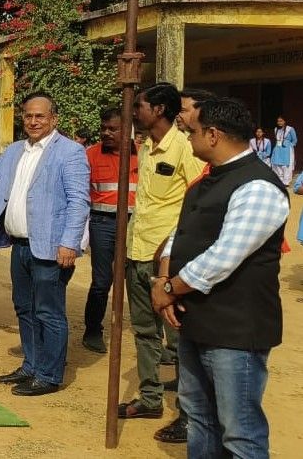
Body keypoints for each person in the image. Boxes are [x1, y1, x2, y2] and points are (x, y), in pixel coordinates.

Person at [153, 97, 287, 458]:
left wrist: (170, 288)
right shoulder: (204, 184)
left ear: (213, 135)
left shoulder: (258, 187)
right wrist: (164, 277)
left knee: (239, 431)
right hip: (196, 319)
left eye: (193, 131)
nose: (188, 137)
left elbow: (223, 258)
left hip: (235, 329)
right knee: (199, 417)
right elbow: (179, 235)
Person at [0, 92, 89, 396]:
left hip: (51, 248)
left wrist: (69, 243)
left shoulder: (69, 152)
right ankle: (31, 366)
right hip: (21, 246)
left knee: (48, 312)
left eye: (40, 116)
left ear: (54, 118)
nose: (33, 121)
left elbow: (79, 201)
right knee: (24, 308)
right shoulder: (16, 150)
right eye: (28, 115)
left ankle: (49, 375)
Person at [118, 83, 206, 431]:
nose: (133, 112)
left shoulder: (185, 147)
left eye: (139, 106)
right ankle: (150, 398)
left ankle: (188, 413)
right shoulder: (144, 147)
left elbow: (199, 201)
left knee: (179, 337)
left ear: (158, 110)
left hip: (168, 260)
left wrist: (174, 248)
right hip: (137, 253)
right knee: (144, 332)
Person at [81, 108, 137, 354]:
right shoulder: (90, 155)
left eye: (113, 129)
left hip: (135, 224)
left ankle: (148, 333)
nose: (106, 133)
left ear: (127, 129)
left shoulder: (143, 154)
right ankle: (93, 330)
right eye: (103, 128)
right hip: (102, 223)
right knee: (102, 281)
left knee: (137, 280)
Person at [270, 116, 295, 185]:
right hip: (278, 148)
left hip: (286, 150)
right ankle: (279, 180)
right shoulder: (276, 129)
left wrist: (289, 145)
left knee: (286, 165)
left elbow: (294, 140)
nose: (279, 122)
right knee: (277, 164)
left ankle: (286, 181)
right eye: (278, 121)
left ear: (284, 121)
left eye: (281, 121)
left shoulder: (290, 129)